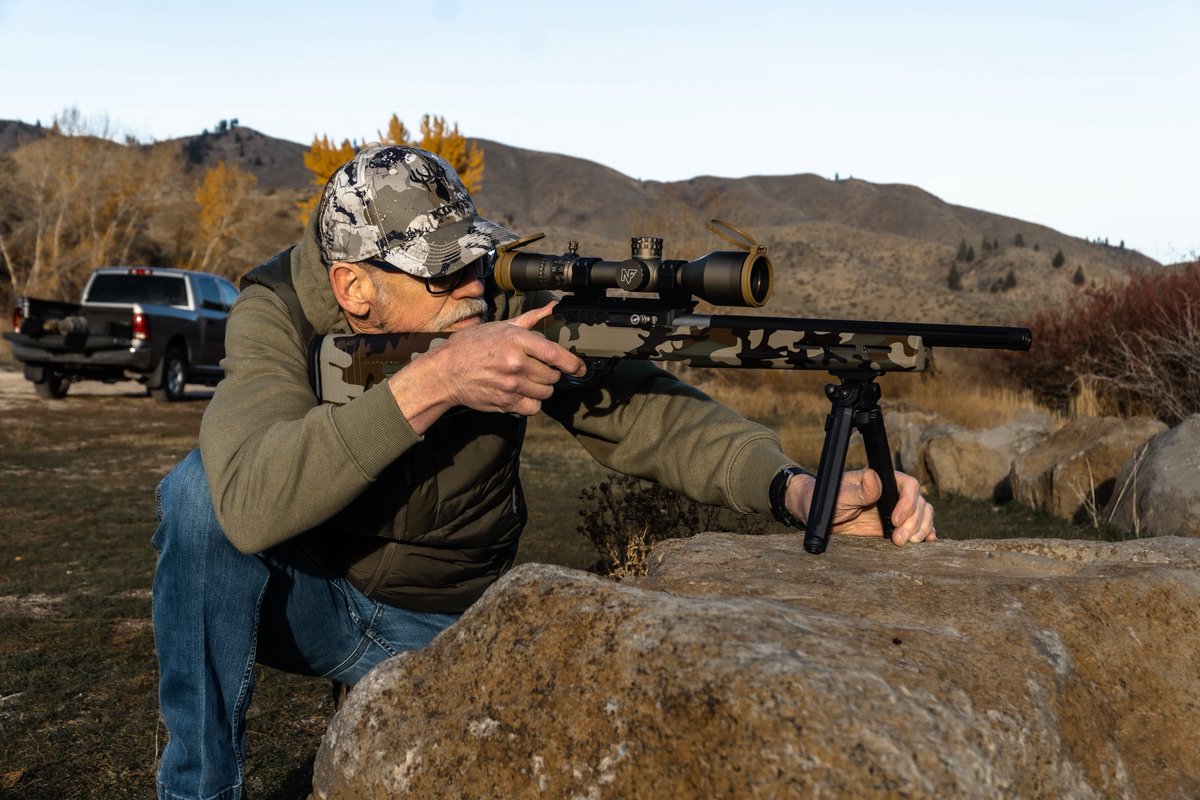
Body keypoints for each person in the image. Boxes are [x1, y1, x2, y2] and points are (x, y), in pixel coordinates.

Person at [151, 144, 935, 800]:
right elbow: (247, 504)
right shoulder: (274, 315)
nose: (472, 290)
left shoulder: (496, 305)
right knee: (195, 494)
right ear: (353, 287)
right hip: (319, 602)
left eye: (476, 262)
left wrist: (799, 491)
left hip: (453, 623)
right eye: (441, 275)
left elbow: (652, 416)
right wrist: (435, 383)